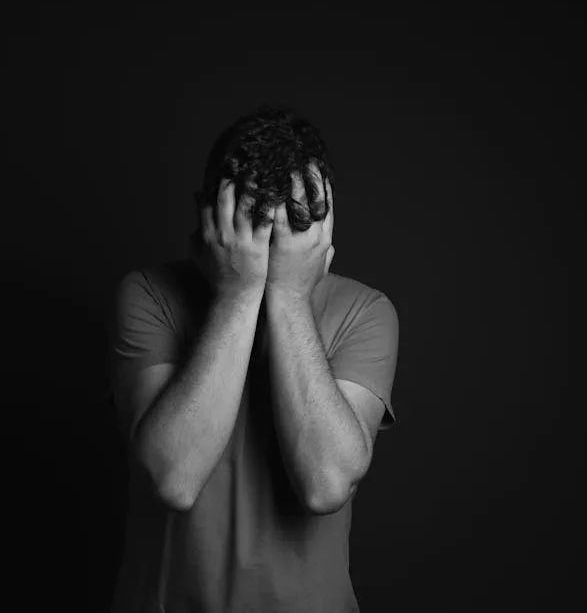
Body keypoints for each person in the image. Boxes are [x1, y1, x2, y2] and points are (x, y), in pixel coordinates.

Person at [106, 104, 400, 612]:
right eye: (253, 224)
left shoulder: (367, 311)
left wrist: (287, 296)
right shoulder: (148, 295)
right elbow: (173, 476)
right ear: (208, 220)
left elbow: (326, 482)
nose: (266, 247)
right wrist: (239, 293)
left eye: (288, 228)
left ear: (322, 229)